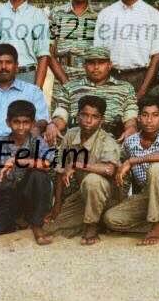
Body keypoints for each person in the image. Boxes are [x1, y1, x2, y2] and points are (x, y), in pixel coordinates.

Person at [102, 95, 159, 245]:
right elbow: (121, 169)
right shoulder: (130, 142)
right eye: (145, 115)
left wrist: (132, 161)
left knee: (157, 168)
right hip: (151, 196)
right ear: (139, 118)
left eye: (155, 115)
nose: (149, 120)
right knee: (111, 218)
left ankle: (158, 226)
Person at [0, 99, 54, 244]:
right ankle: (14, 220)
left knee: (39, 175)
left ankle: (37, 224)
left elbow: (48, 164)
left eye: (26, 122)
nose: (21, 127)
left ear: (33, 123)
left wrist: (18, 161)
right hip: (8, 196)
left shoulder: (37, 141)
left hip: (30, 195)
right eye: (16, 122)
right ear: (8, 122)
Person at [44, 95, 122, 245]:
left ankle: (91, 226)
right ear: (77, 116)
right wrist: (57, 204)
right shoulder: (70, 135)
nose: (88, 120)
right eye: (84, 115)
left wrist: (77, 165)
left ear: (102, 120)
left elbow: (109, 169)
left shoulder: (107, 141)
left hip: (108, 198)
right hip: (84, 196)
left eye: (94, 117)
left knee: (93, 180)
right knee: (52, 228)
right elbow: (60, 170)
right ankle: (98, 221)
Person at [92, 0, 159, 96]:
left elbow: (157, 56)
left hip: (139, 78)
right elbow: (98, 53)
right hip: (110, 78)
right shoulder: (106, 14)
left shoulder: (153, 16)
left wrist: (143, 90)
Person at [50, 46, 138, 141]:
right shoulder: (70, 87)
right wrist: (53, 125)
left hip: (111, 141)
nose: (96, 67)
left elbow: (130, 116)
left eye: (101, 62)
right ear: (84, 66)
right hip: (77, 140)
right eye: (91, 63)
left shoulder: (125, 88)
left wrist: (131, 128)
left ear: (109, 65)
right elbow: (61, 113)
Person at [47, 0, 100, 86]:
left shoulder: (99, 16)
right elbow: (49, 51)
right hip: (61, 75)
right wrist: (64, 81)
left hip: (91, 77)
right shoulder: (57, 14)